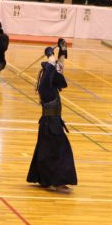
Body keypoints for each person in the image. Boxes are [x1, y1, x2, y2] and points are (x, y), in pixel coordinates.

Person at [27, 39, 78, 193]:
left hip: (49, 125)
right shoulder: (45, 87)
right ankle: (58, 182)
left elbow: (59, 69)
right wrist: (50, 54)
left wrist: (62, 51)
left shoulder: (50, 85)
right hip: (51, 125)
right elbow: (52, 68)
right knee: (61, 152)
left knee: (45, 152)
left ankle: (45, 179)